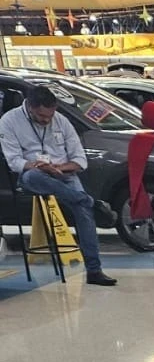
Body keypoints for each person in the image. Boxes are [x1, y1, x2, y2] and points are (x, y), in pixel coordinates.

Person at [0, 85, 116, 286]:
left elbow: (80, 160)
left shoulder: (61, 121)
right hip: (33, 175)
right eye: (41, 116)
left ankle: (94, 270)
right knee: (35, 177)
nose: (47, 120)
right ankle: (88, 200)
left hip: (64, 174)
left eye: (50, 115)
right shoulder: (9, 121)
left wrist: (59, 168)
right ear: (30, 107)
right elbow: (14, 161)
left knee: (83, 212)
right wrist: (38, 166)